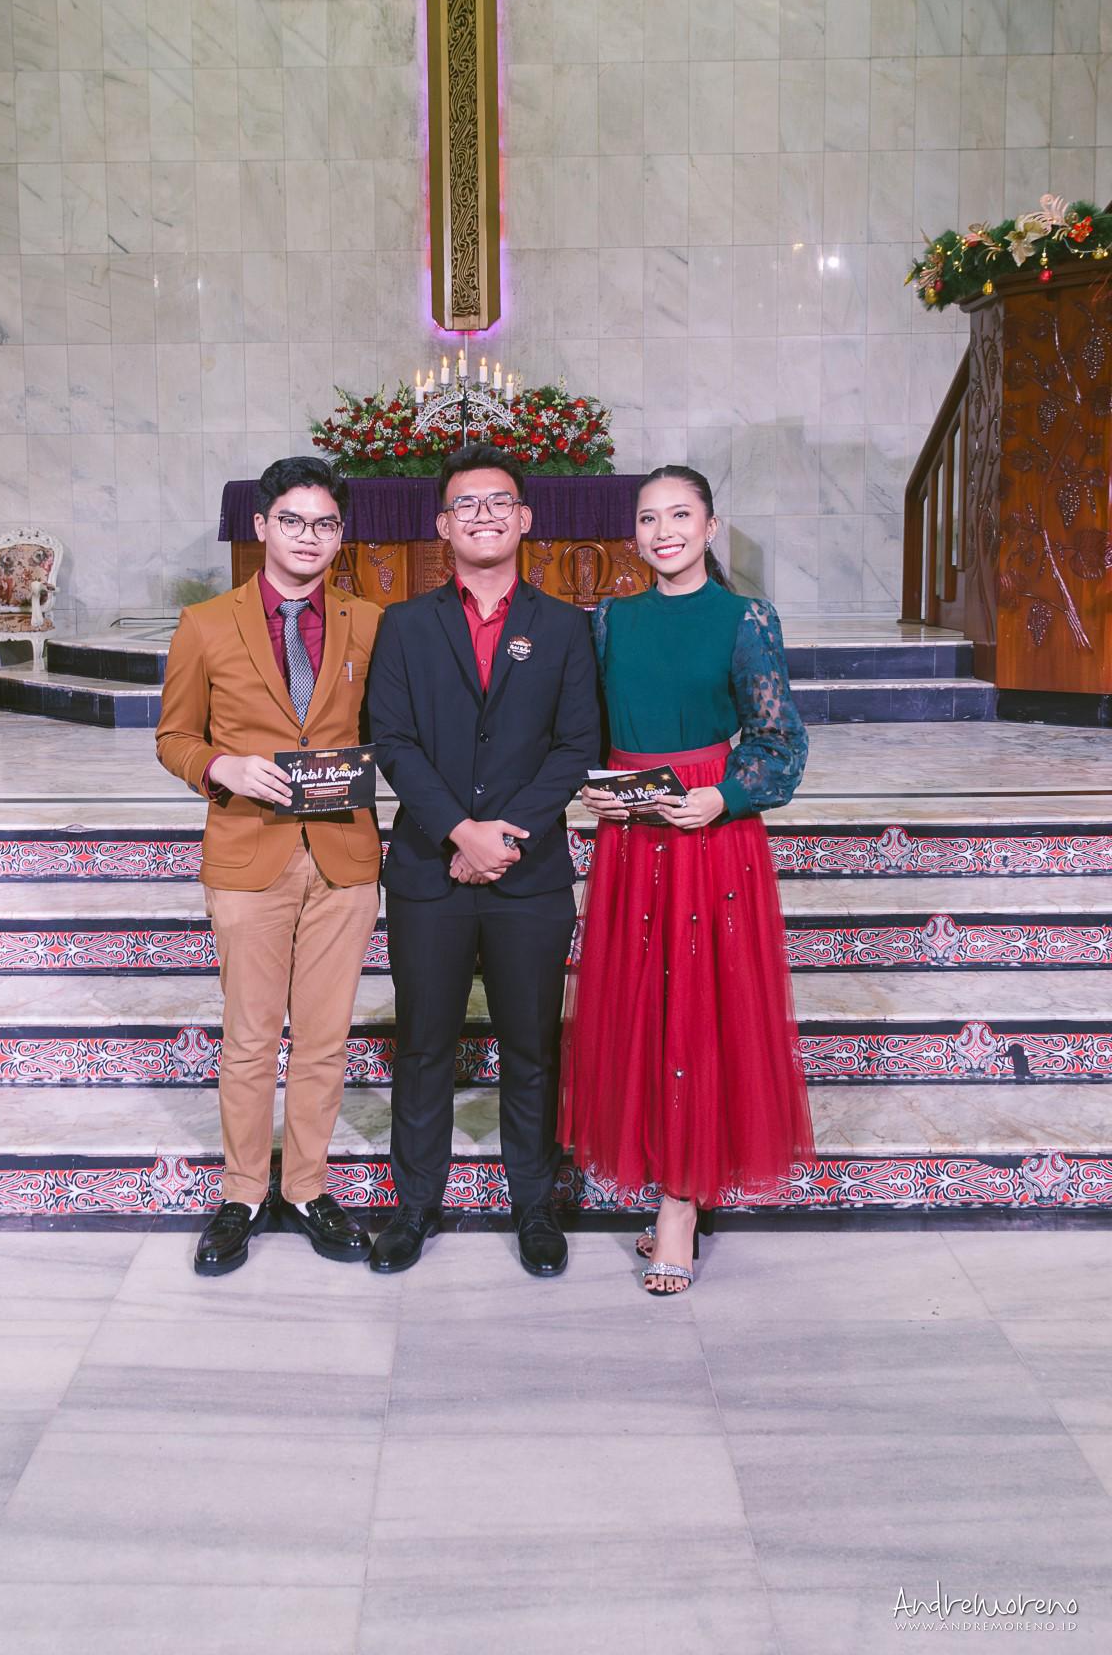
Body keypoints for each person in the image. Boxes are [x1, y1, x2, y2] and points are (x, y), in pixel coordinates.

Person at [558, 464, 815, 1296]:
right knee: (640, 1005)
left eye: (679, 516)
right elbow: (588, 730)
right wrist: (592, 786)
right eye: (648, 518)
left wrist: (723, 796)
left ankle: (679, 1207)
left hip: (710, 836)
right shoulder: (610, 621)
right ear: (632, 535)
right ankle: (660, 1176)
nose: (663, 531)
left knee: (699, 1010)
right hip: (633, 836)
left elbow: (781, 745)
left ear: (710, 527)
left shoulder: (745, 619)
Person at [367, 442, 600, 1277]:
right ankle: (414, 1205)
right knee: (423, 1045)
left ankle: (534, 1205)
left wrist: (505, 836)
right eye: (466, 503)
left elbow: (577, 746)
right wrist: (458, 832)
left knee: (532, 1046)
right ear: (442, 525)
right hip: (429, 872)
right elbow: (392, 741)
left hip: (529, 875)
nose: (484, 515)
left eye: (499, 501)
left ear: (525, 518)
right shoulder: (404, 625)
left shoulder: (566, 626)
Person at [156, 457, 383, 1277]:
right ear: (261, 526)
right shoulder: (205, 623)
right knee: (251, 1038)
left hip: (343, 856)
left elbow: (393, 728)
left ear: (341, 534)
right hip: (249, 852)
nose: (308, 537)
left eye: (325, 524)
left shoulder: (370, 621)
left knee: (324, 1038)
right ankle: (244, 1192)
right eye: (292, 520)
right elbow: (173, 737)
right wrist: (223, 766)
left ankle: (308, 1186)